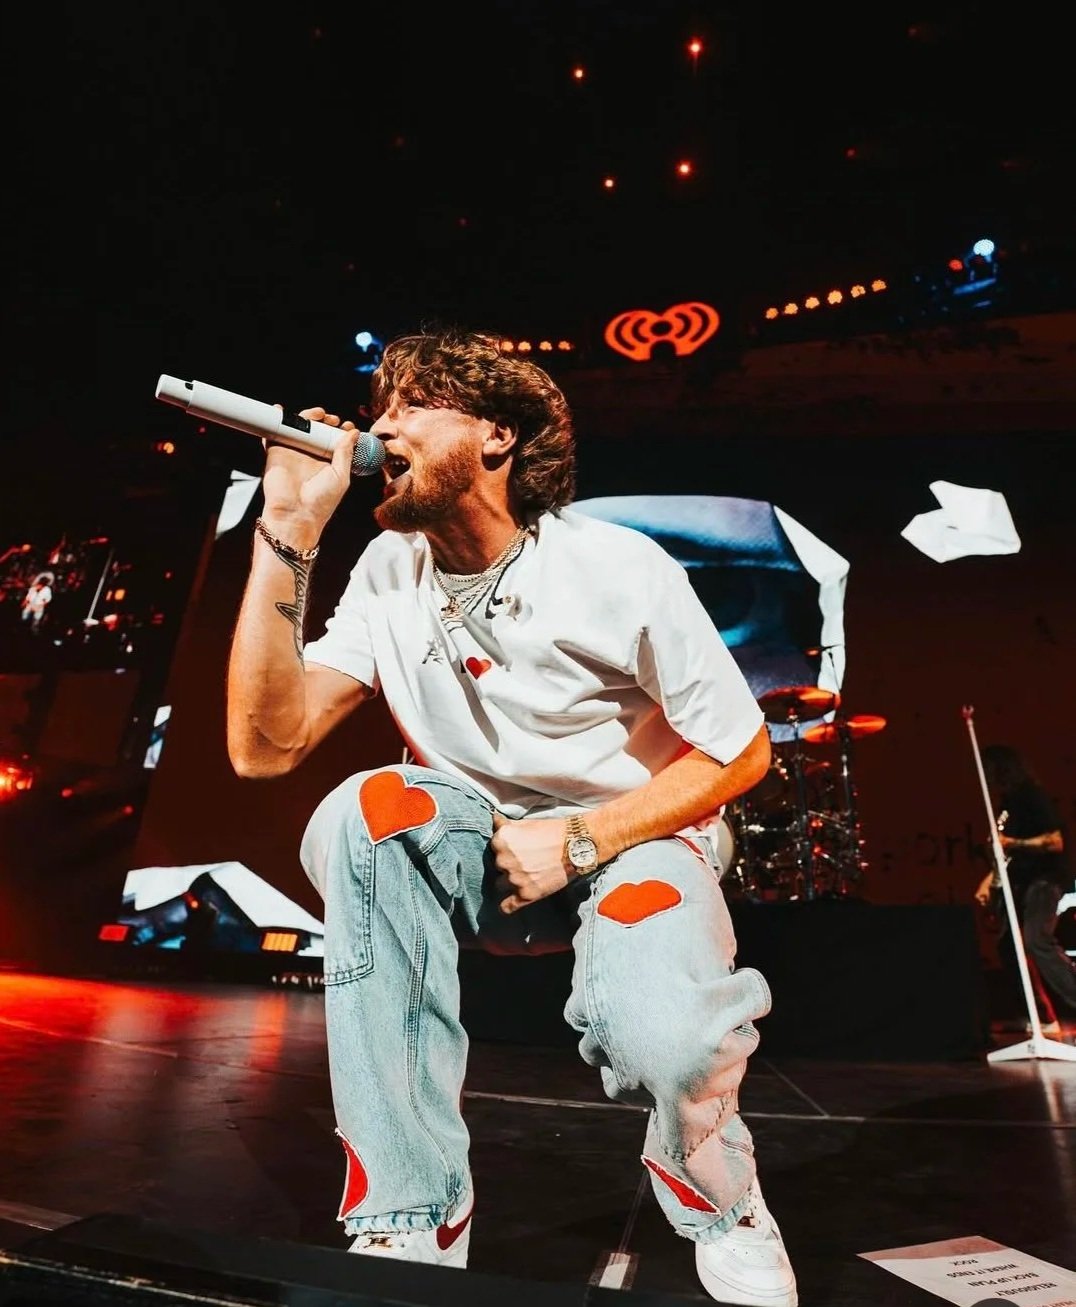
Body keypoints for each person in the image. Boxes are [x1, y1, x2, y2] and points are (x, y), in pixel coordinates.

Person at [226, 326, 797, 1307]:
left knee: (669, 1037)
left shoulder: (614, 565)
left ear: (496, 434)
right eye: (379, 406)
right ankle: (411, 1208)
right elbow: (262, 743)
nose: (381, 424)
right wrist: (287, 532)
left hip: (631, 834)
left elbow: (739, 749)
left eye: (412, 404)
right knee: (365, 811)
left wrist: (579, 836)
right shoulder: (386, 567)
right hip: (475, 848)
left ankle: (716, 1190)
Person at [975, 743, 1076, 1032]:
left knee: (1036, 939)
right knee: (1008, 945)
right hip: (1021, 880)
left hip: (1044, 878)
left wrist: (1013, 843)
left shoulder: (1031, 796)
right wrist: (987, 881)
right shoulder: (1006, 804)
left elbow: (1055, 841)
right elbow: (1005, 854)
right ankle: (1042, 1016)